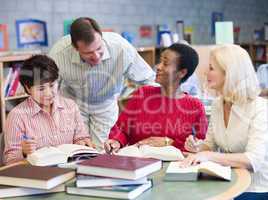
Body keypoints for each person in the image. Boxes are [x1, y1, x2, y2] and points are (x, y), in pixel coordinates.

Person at [49, 17, 155, 145]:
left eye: (99, 48)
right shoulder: (59, 54)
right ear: (75, 48)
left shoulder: (121, 47)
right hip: (73, 104)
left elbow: (148, 80)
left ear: (101, 36)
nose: (96, 56)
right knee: (76, 150)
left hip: (105, 105)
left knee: (104, 150)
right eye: (88, 53)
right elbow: (47, 88)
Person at [182, 44, 268, 199]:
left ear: (229, 73)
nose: (205, 72)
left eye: (211, 68)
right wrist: (198, 147)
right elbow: (209, 144)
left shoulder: (260, 108)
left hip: (256, 189)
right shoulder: (217, 104)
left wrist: (207, 155)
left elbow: (253, 160)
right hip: (228, 181)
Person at [104, 43, 208, 154]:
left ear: (182, 73)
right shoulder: (143, 94)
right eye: (160, 61)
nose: (158, 67)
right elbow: (122, 129)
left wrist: (170, 142)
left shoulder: (195, 106)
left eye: (165, 63)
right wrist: (116, 141)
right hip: (138, 164)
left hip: (174, 167)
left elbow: (202, 145)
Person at [3, 55, 94, 165]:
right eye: (41, 88)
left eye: (52, 85)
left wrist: (82, 142)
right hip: (39, 176)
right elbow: (9, 160)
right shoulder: (17, 115)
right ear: (27, 88)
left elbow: (82, 137)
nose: (48, 93)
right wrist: (23, 152)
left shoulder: (71, 106)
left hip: (71, 169)